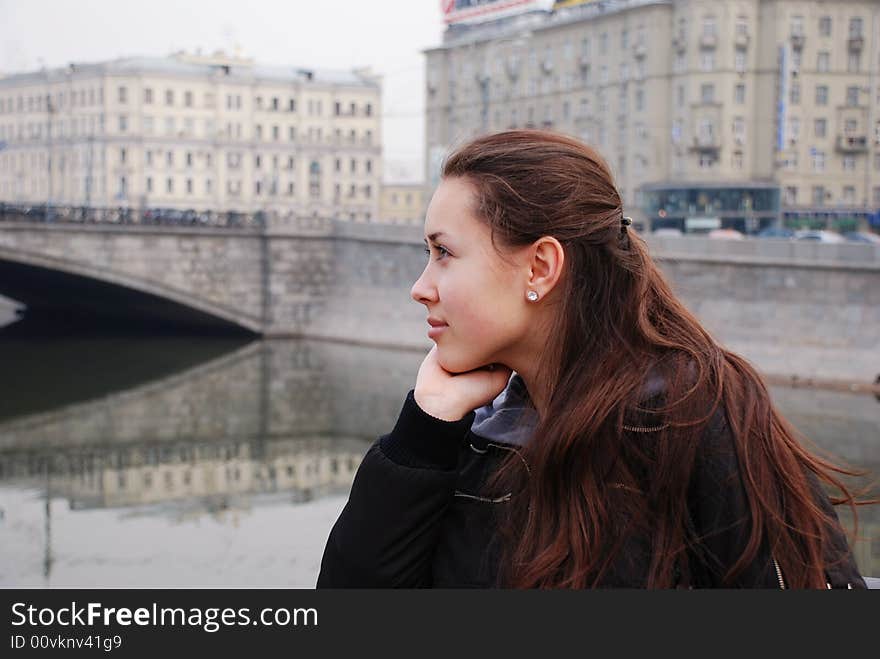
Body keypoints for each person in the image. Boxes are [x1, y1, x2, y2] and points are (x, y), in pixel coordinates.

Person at [317, 130, 870, 589]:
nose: (420, 287)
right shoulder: (464, 433)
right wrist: (422, 434)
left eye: (444, 253)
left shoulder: (694, 418)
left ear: (540, 268)